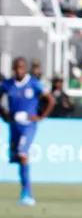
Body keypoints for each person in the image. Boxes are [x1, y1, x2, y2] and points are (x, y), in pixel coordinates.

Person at [1, 58, 53, 206]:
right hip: (14, 125)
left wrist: (41, 116)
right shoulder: (8, 84)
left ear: (26, 69)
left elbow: (50, 99)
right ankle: (24, 190)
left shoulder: (34, 83)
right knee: (18, 158)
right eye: (16, 68)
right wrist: (4, 114)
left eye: (21, 68)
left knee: (23, 154)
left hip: (28, 125)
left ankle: (28, 194)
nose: (19, 71)